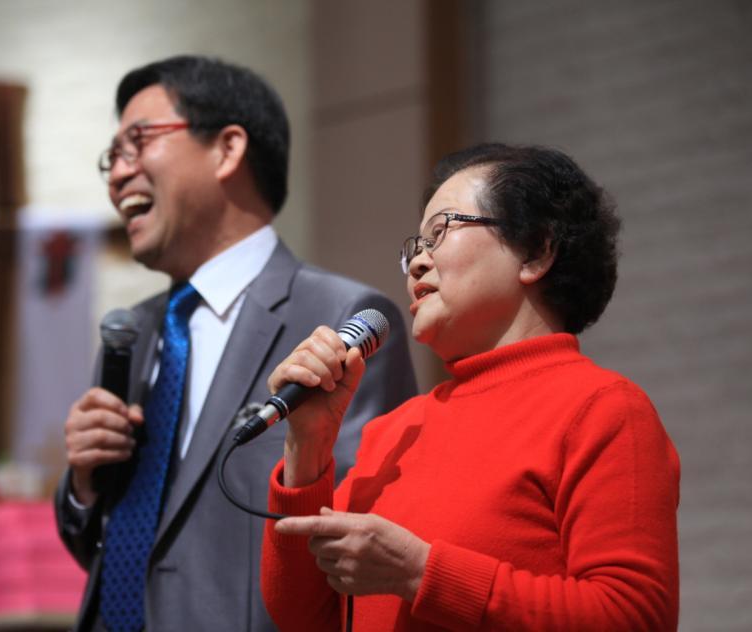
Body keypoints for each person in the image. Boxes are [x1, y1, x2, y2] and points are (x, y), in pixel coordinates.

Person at [53, 55, 417, 632]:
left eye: (137, 143)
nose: (117, 174)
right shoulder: (130, 334)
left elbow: (354, 541)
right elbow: (108, 551)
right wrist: (82, 484)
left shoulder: (340, 319)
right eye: (111, 157)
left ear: (227, 149)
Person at [261, 143, 680, 630]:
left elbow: (633, 617)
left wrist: (422, 573)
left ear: (536, 251)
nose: (417, 264)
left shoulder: (604, 409)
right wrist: (307, 448)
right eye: (414, 248)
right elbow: (304, 618)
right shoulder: (394, 432)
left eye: (440, 232)